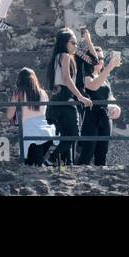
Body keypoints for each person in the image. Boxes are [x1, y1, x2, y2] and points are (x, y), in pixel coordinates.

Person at [45, 28, 94, 165]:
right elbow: (67, 79)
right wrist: (81, 97)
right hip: (66, 98)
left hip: (57, 98)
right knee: (73, 134)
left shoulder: (56, 57)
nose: (76, 46)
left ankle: (63, 162)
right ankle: (51, 159)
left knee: (66, 134)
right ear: (64, 43)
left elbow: (92, 61)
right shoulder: (65, 56)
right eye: (73, 43)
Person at [76, 44, 123, 166]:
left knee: (102, 153)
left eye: (102, 58)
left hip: (106, 117)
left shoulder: (105, 78)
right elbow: (93, 86)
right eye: (97, 58)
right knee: (87, 152)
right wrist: (109, 67)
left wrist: (116, 107)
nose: (100, 61)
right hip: (91, 117)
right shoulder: (85, 76)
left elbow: (110, 95)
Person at [7, 67, 58, 165]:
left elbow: (9, 115)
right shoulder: (43, 93)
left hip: (29, 131)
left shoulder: (18, 93)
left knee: (31, 163)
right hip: (46, 131)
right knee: (37, 162)